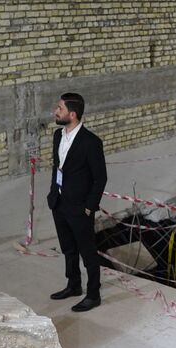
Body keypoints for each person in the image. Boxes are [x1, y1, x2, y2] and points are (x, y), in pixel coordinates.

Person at [47, 93, 108, 312]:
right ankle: (73, 285)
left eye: (60, 108)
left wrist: (89, 206)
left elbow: (100, 178)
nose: (56, 111)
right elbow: (57, 167)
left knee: (87, 252)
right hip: (59, 202)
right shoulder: (57, 135)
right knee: (68, 249)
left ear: (72, 114)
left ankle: (93, 295)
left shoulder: (91, 142)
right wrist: (53, 192)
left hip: (80, 206)